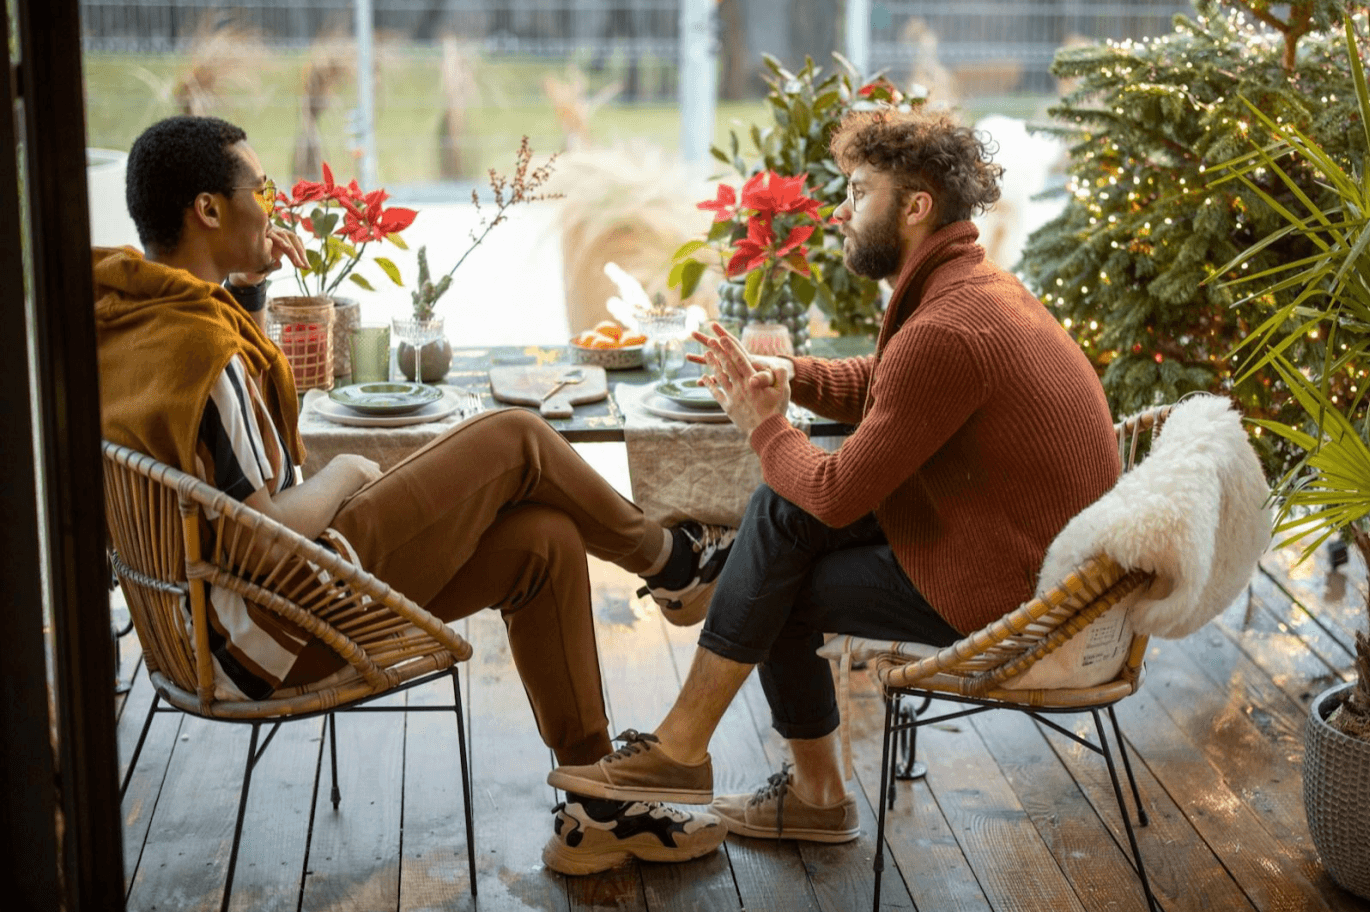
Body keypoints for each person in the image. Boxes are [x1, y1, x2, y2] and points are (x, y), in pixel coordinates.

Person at [94, 115, 739, 875]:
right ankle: (672, 563)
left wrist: (255, 286)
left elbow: (233, 459)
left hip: (214, 621)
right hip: (279, 620)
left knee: (544, 541)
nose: (270, 205)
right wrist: (347, 474)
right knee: (514, 437)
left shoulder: (139, 319)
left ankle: (595, 803)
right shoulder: (203, 349)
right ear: (208, 210)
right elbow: (260, 533)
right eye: (257, 188)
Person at [549, 108, 1123, 843]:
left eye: (859, 191)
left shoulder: (948, 329)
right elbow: (889, 381)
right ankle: (723, 759)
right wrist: (790, 375)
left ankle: (727, 764)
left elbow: (833, 491)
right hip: (1029, 559)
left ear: (916, 207)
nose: (842, 212)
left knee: (775, 570)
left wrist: (762, 424)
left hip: (1012, 598)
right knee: (778, 524)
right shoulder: (976, 291)